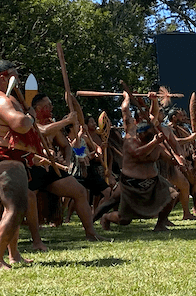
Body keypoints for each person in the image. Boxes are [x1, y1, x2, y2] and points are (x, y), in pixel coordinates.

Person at [0, 60, 41, 269]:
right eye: (16, 76)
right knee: (16, 208)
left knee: (11, 208)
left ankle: (14, 254)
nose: (20, 81)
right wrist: (30, 115)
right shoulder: (0, 99)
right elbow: (20, 124)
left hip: (4, 159)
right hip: (3, 160)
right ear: (4, 78)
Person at [98, 91, 178, 232]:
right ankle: (105, 218)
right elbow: (125, 111)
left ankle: (160, 224)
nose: (144, 117)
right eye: (141, 116)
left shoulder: (150, 127)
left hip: (153, 180)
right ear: (135, 120)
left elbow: (153, 114)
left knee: (172, 195)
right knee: (124, 219)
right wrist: (127, 98)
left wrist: (153, 100)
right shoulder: (131, 131)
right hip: (131, 182)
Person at [30, 94, 105, 241]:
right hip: (34, 167)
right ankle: (32, 240)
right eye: (48, 106)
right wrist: (67, 121)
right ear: (38, 109)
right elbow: (43, 131)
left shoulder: (54, 125)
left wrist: (66, 160)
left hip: (53, 167)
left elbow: (65, 145)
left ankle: (91, 233)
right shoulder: (30, 121)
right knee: (20, 203)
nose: (51, 108)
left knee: (80, 192)